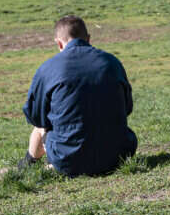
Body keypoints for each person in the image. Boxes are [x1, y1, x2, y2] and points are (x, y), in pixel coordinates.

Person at [20, 15, 137, 176]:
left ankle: (28, 162)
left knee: (41, 127)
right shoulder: (112, 62)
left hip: (69, 160)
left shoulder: (48, 69)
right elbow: (127, 107)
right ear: (88, 39)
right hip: (119, 155)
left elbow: (36, 117)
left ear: (59, 43)